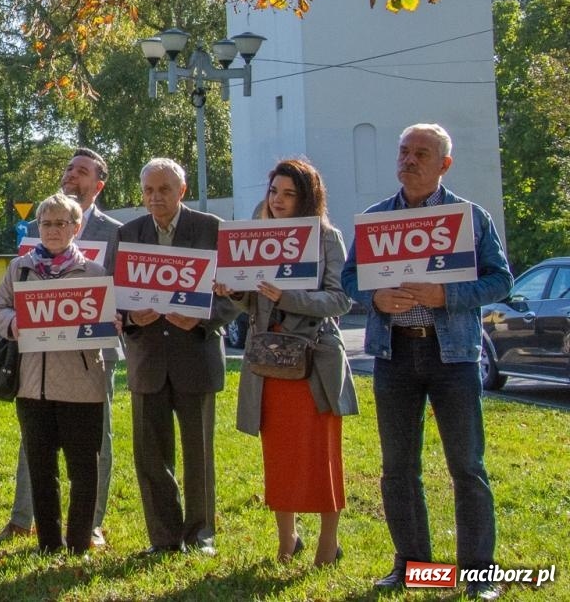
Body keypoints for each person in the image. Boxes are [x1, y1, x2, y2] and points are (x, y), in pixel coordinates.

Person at [343, 124, 512, 599]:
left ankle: (479, 572)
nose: (409, 160)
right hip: (394, 353)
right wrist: (375, 299)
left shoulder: (469, 218)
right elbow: (351, 279)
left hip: (453, 354)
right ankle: (413, 565)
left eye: (421, 153)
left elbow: (502, 281)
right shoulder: (376, 220)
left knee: (466, 465)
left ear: (444, 164)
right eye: (404, 152)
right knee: (398, 467)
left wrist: (448, 294)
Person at [213, 158, 355, 566]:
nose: (278, 200)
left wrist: (286, 296)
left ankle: (329, 543)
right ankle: (286, 539)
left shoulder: (327, 238)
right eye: (274, 191)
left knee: (321, 453)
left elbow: (341, 299)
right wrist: (233, 291)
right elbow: (249, 302)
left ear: (307, 197)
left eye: (289, 193)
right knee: (278, 456)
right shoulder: (255, 236)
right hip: (267, 361)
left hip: (315, 361)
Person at [0, 148, 123, 548]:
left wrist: (115, 320)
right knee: (37, 455)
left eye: (81, 171)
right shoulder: (25, 259)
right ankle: (26, 521)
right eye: (68, 168)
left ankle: (89, 530)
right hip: (35, 372)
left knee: (90, 455)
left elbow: (120, 299)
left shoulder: (114, 236)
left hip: (87, 369)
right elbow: (2, 306)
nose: (71, 175)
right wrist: (15, 324)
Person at [117, 157, 236, 556]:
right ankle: (164, 538)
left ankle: (200, 535)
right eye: (149, 190)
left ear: (181, 191)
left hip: (195, 356)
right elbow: (111, 297)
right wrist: (131, 315)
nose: (155, 198)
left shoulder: (212, 230)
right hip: (147, 359)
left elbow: (236, 295)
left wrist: (203, 320)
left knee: (198, 455)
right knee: (150, 456)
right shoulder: (128, 234)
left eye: (164, 189)